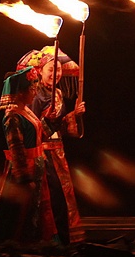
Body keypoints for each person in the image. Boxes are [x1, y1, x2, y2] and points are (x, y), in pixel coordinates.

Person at [15, 46, 86, 245]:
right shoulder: (36, 94)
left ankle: (63, 240)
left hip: (57, 152)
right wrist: (50, 121)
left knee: (62, 197)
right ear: (40, 71)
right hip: (42, 153)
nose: (56, 73)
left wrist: (74, 115)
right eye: (51, 69)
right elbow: (33, 127)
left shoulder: (58, 93)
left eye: (59, 69)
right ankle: (48, 240)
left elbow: (61, 126)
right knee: (51, 198)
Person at [0, 66, 59, 245]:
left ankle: (36, 242)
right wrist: (25, 178)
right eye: (31, 89)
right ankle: (19, 244)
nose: (35, 92)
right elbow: (16, 149)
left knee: (38, 208)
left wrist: (50, 120)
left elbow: (41, 135)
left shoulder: (27, 111)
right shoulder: (12, 116)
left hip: (37, 165)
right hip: (25, 169)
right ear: (19, 93)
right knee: (21, 212)